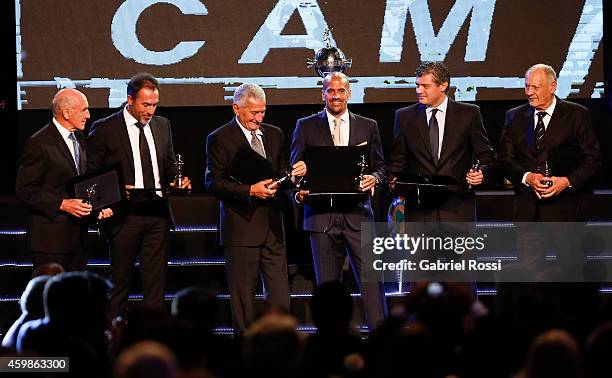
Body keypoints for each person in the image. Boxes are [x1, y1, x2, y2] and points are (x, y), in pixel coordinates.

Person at [205, 83, 307, 335]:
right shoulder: (219, 138)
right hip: (241, 229)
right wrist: (250, 190)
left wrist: (294, 177)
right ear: (236, 108)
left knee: (281, 299)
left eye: (262, 112)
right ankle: (246, 356)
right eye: (253, 113)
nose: (259, 118)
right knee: (244, 305)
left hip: (273, 228)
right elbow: (213, 183)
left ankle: (282, 351)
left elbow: (280, 173)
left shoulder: (274, 134)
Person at [87, 73, 191, 318]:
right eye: (146, 105)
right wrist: (115, 190)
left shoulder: (162, 125)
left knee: (156, 286)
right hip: (124, 215)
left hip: (157, 214)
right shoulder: (105, 129)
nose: (151, 110)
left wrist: (179, 183)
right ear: (130, 100)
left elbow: (168, 169)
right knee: (120, 283)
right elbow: (91, 175)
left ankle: (152, 341)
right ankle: (114, 337)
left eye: (154, 105)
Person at [291, 72, 387, 331]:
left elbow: (381, 167)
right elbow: (295, 170)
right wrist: (298, 185)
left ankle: (382, 339)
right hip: (321, 217)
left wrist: (374, 178)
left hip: (358, 215)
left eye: (340, 91)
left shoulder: (368, 125)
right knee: (327, 290)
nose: (335, 96)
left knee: (372, 284)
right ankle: (331, 344)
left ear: (349, 94)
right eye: (330, 91)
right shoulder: (306, 125)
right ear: (323, 94)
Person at [498, 64, 601, 275]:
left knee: (573, 276)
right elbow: (505, 160)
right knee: (528, 280)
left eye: (535, 87)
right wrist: (528, 177)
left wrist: (566, 181)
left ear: (552, 86)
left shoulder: (577, 115)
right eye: (527, 87)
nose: (529, 92)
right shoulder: (514, 116)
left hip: (567, 212)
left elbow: (592, 159)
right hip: (529, 212)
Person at [15, 88, 112, 271]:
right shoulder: (39, 143)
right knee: (51, 298)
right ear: (66, 113)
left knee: (75, 297)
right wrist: (62, 204)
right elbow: (25, 189)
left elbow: (81, 184)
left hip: (78, 241)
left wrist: (97, 208)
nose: (88, 115)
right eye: (84, 110)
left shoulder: (80, 140)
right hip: (50, 243)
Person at [387, 61, 496, 221]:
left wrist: (481, 173)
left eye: (425, 86)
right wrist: (393, 182)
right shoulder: (404, 117)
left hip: (458, 211)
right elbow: (397, 160)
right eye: (417, 85)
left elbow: (486, 156)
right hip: (419, 212)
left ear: (443, 85)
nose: (419, 90)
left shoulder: (469, 114)